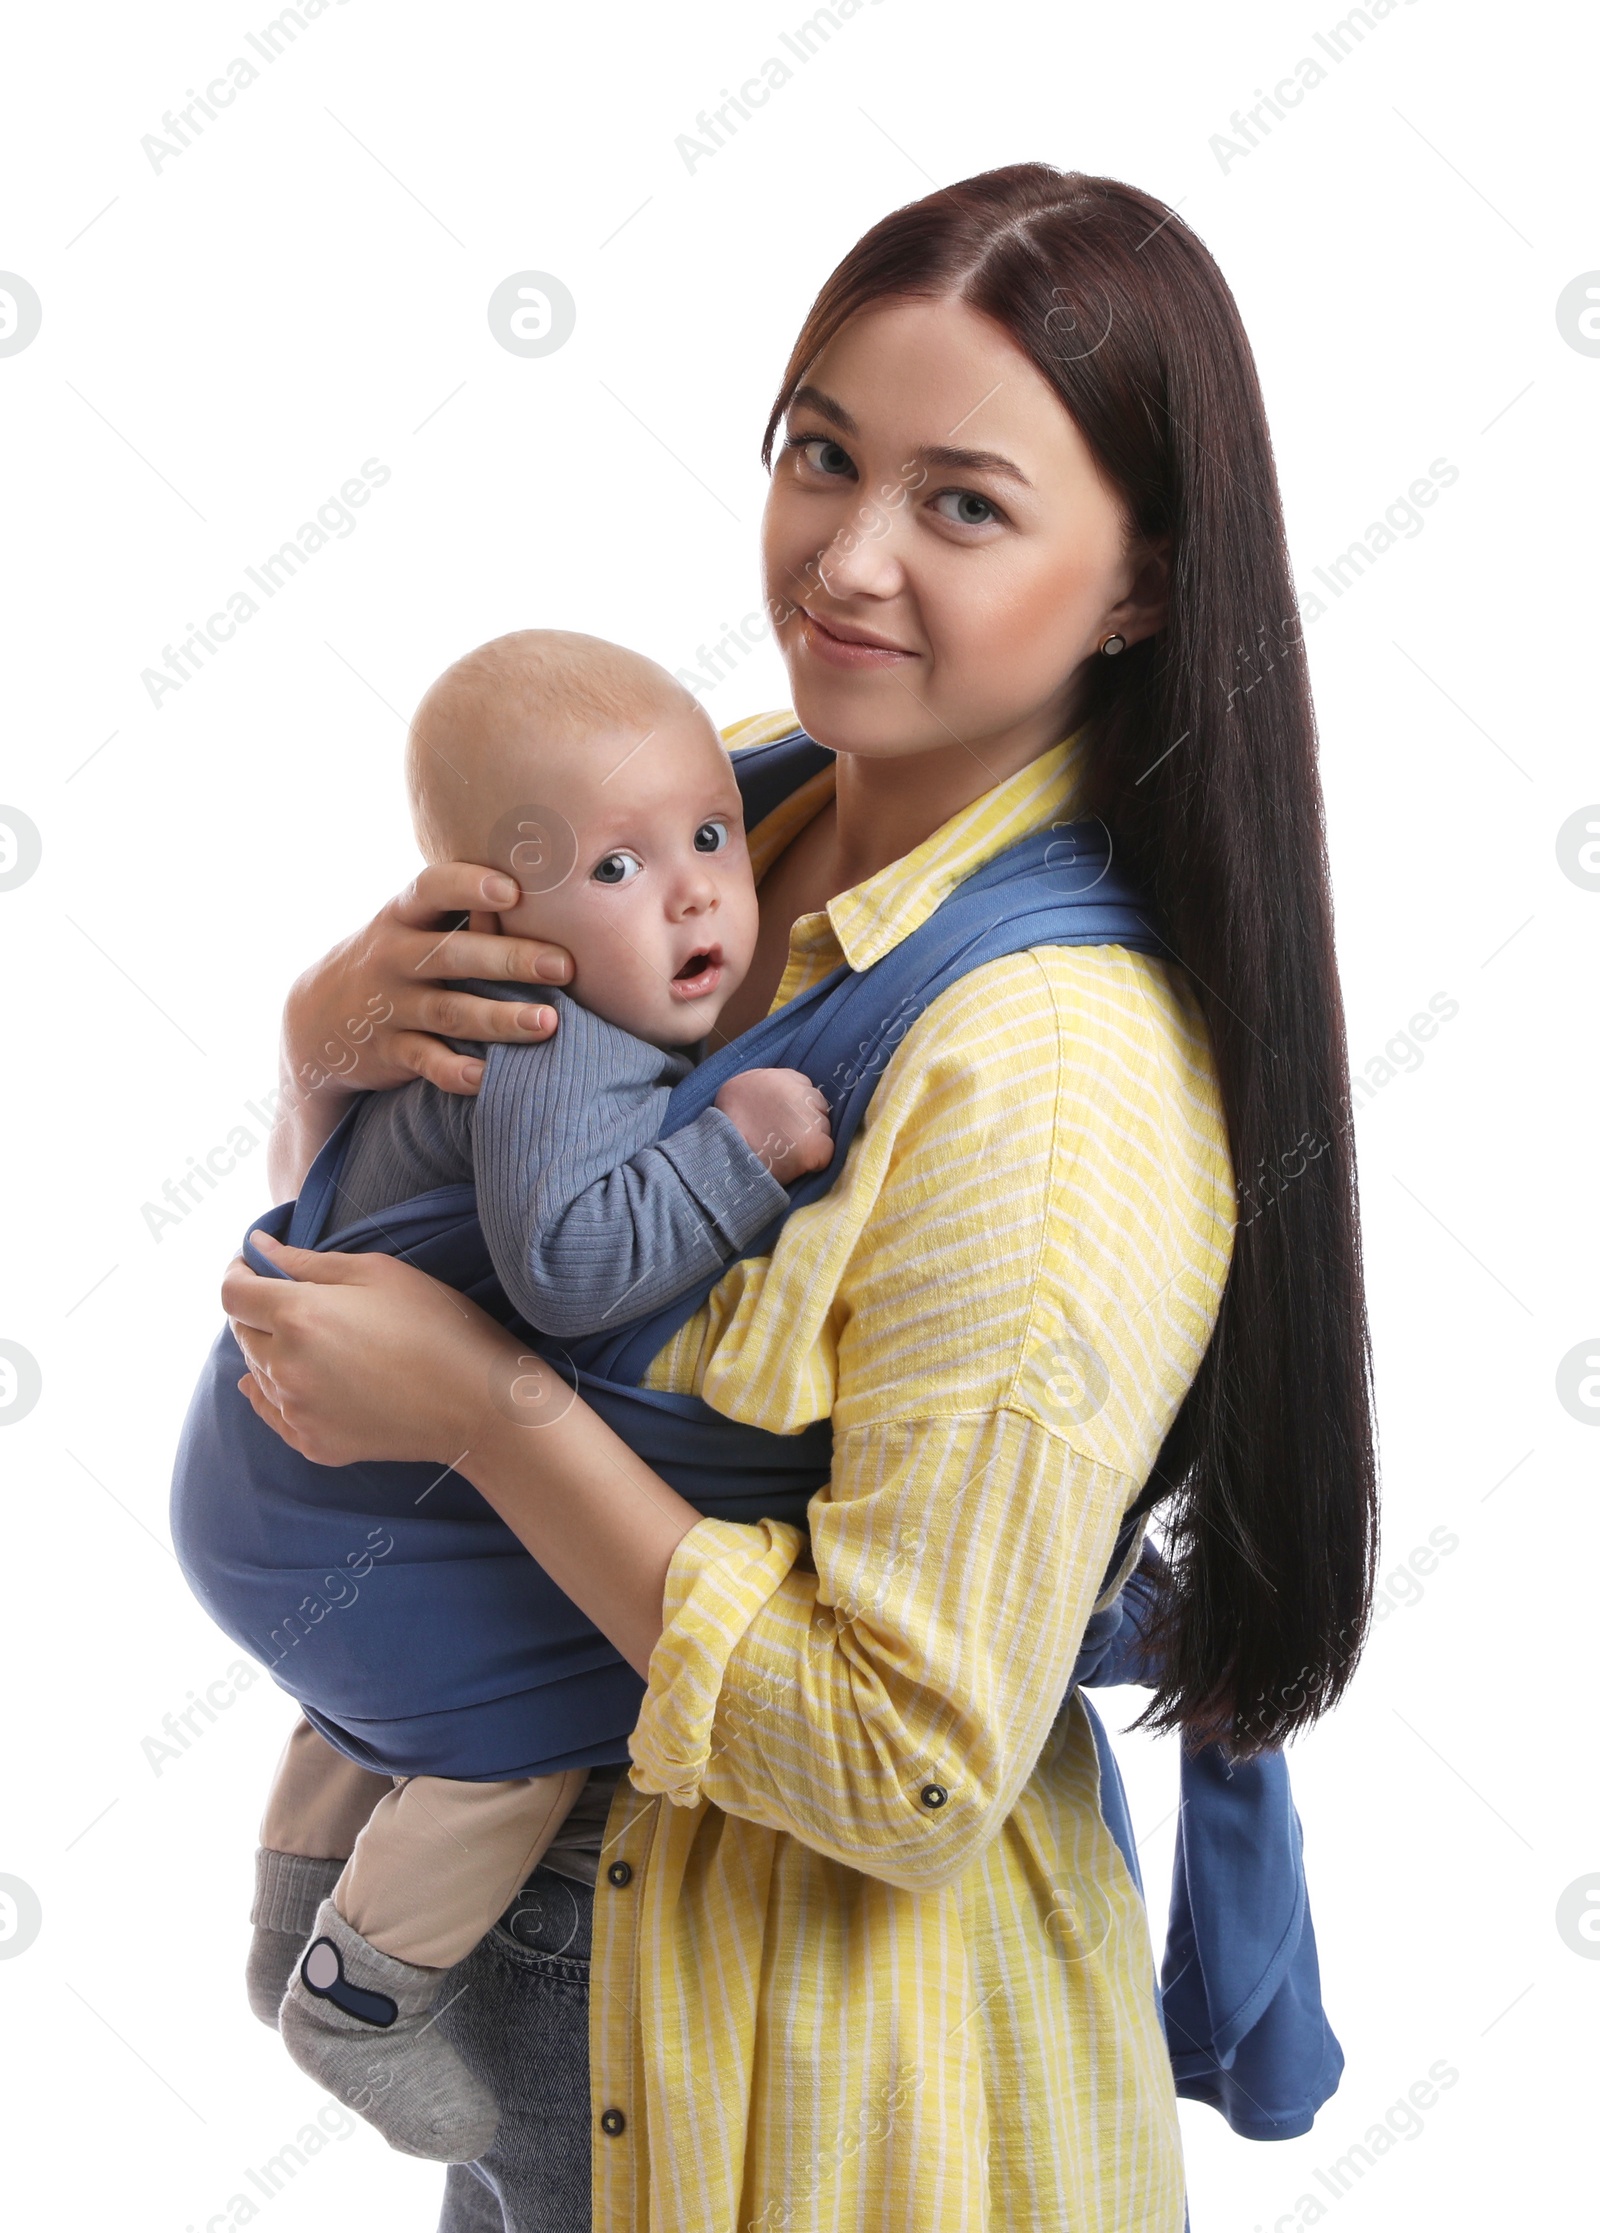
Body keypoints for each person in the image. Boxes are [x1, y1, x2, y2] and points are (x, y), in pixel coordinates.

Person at [223, 165, 1379, 2233]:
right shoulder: (722, 799)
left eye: (961, 501)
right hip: (567, 1997)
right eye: (818, 455)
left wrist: (491, 1413)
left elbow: (906, 1766)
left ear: (1136, 581)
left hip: (815, 2068)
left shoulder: (1051, 1073)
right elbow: (443, 1217)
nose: (841, 560)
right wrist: (325, 1053)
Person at [177, 628, 835, 2159]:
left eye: (711, 835)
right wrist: (737, 1145)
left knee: (389, 1694)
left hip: (280, 1492)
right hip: (319, 1481)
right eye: (617, 868)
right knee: (514, 1727)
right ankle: (362, 2000)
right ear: (493, 915)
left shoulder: (531, 1000)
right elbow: (568, 1262)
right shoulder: (554, 1040)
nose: (690, 891)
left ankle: (292, 1924)